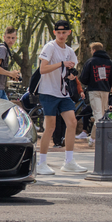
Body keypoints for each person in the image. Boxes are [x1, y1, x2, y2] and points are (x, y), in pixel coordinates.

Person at [36, 20, 88, 175]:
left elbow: (71, 70)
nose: (61, 35)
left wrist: (72, 76)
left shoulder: (70, 51)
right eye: (58, 32)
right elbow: (42, 69)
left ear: (69, 33)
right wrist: (61, 64)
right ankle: (42, 162)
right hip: (48, 91)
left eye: (64, 32)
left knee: (72, 122)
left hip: (63, 93)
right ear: (54, 33)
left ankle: (69, 161)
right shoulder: (50, 47)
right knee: (50, 127)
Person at [79, 42, 112, 147]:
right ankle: (92, 138)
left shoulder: (91, 62)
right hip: (105, 90)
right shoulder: (109, 62)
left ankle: (97, 139)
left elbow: (83, 78)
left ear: (94, 50)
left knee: (98, 115)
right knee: (101, 114)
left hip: (94, 90)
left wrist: (90, 82)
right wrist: (108, 84)